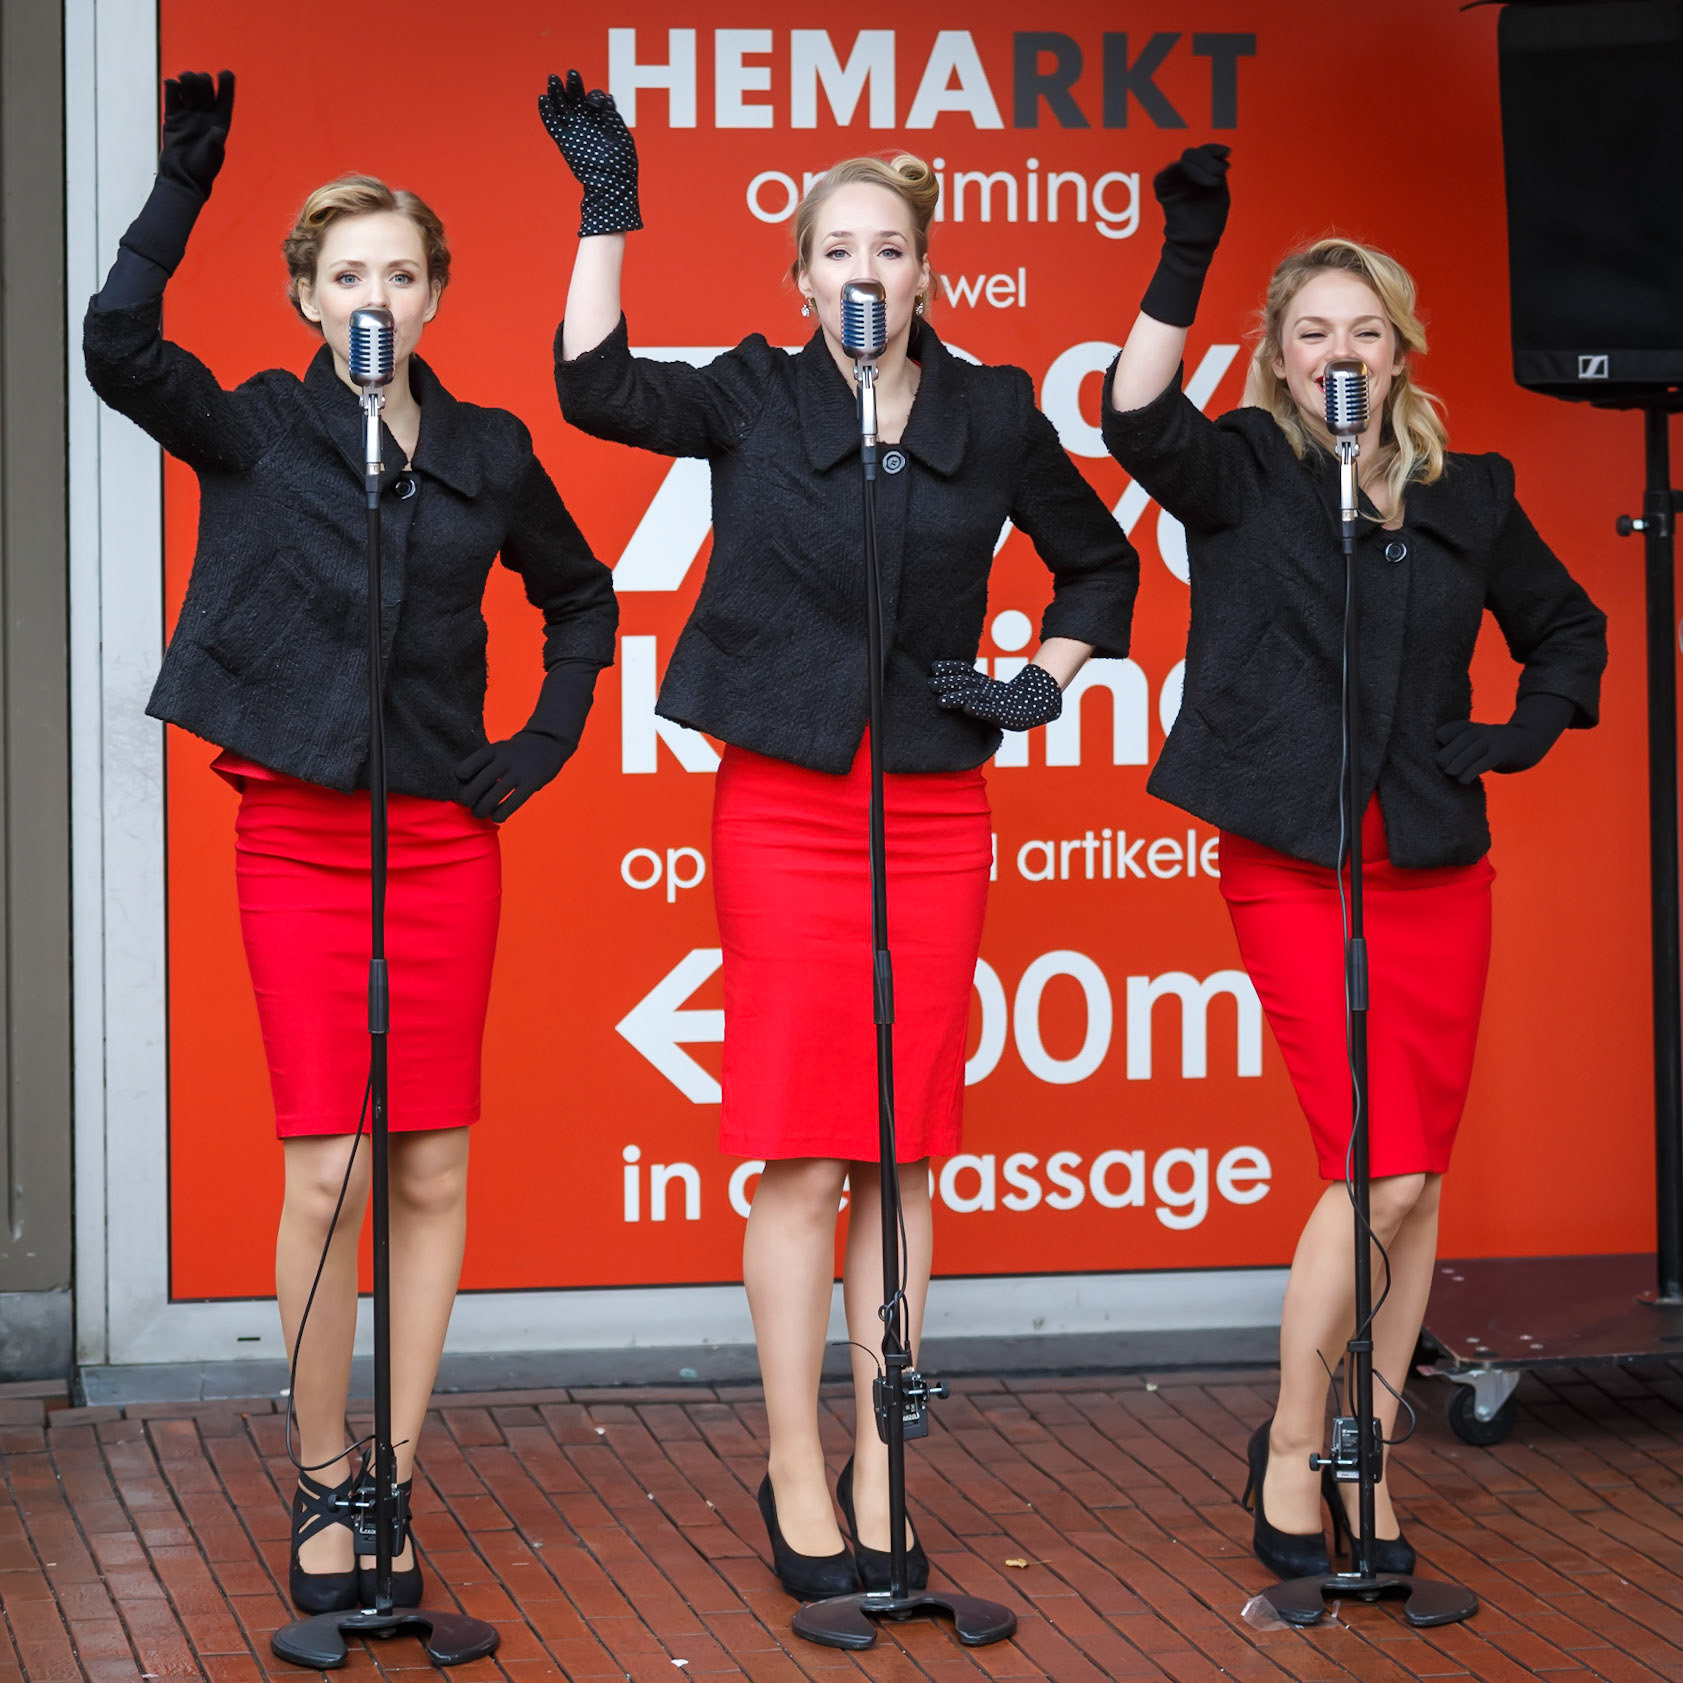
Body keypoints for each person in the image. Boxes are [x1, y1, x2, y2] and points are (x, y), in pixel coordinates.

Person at [539, 71, 1139, 1599]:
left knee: (906, 1154)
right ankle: (795, 1469)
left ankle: (886, 1472)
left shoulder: (994, 409)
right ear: (798, 279)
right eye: (837, 252)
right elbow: (595, 389)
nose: (864, 273)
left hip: (936, 806)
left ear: (927, 269)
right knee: (807, 1155)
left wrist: (1036, 681)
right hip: (792, 810)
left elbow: (1100, 574)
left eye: (889, 249)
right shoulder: (755, 393)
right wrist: (610, 212)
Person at [82, 72, 617, 1613]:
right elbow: (118, 348)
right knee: (329, 1171)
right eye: (347, 274)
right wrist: (179, 195)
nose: (374, 294)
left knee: (433, 1165)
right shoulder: (257, 428)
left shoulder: (489, 449)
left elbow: (580, 598)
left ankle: (395, 1473)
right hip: (303, 840)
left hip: (446, 840)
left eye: (401, 272)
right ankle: (322, 1479)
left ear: (436, 294)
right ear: (309, 299)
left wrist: (543, 740)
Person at [1104, 145, 1607, 1579]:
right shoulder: (1246, 470)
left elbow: (1569, 630)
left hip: (1437, 869)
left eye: (1364, 330)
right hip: (1293, 860)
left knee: (1414, 1179)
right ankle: (1286, 1444)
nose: (1341, 351)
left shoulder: (1471, 493)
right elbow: (1131, 415)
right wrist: (1184, 257)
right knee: (1376, 1168)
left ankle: (1369, 1460)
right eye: (1312, 329)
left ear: (1400, 352)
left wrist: (1520, 733)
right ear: (1277, 353)